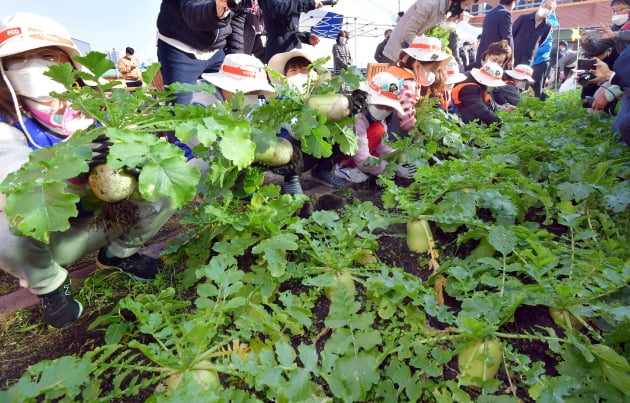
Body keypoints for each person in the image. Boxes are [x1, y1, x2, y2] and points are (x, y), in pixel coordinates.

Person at [0, 12, 175, 328]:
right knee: (3, 229)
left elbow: (146, 157)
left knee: (161, 186)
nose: (32, 66)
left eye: (45, 56)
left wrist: (132, 155)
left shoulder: (93, 108)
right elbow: (11, 176)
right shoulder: (7, 125)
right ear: (4, 69)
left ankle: (119, 254)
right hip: (52, 237)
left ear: (68, 64)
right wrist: (79, 160)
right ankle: (51, 287)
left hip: (104, 217)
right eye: (18, 59)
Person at [267, 48, 356, 193]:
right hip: (290, 155)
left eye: (304, 69)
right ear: (285, 77)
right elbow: (295, 130)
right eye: (293, 70)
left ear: (314, 74)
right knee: (288, 141)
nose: (299, 74)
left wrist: (346, 108)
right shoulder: (281, 100)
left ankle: (322, 171)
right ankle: (291, 179)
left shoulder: (320, 97)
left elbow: (336, 111)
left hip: (314, 150)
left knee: (341, 129)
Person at [156, 0, 245, 105]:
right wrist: (217, 10)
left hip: (216, 51)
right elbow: (193, 13)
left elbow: (237, 22)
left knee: (226, 105)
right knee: (180, 109)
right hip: (180, 47)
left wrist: (236, 58)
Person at [334, 72, 416, 183]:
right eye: (380, 106)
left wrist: (396, 155)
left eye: (389, 108)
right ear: (368, 99)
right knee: (366, 157)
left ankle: (357, 165)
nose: (384, 111)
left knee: (379, 130)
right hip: (342, 152)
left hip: (360, 149)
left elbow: (382, 145)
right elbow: (362, 159)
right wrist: (392, 169)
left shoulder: (377, 119)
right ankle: (341, 166)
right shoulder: (357, 118)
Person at [386, 35, 451, 134]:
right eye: (430, 70)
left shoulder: (396, 70)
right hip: (391, 126)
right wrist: (417, 135)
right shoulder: (408, 82)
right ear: (417, 65)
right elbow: (405, 116)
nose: (431, 73)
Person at [383, 0, 479, 62]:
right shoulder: (429, 4)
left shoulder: (443, 11)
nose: (465, 8)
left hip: (408, 56)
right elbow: (408, 33)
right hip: (396, 56)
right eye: (466, 4)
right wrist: (427, 51)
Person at [259, 0, 323, 63]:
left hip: (293, 48)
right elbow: (278, 8)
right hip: (278, 50)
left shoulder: (291, 3)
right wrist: (307, 3)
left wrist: (306, 37)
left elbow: (290, 30)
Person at [451, 61, 507, 127]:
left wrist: (501, 109)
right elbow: (479, 108)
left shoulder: (479, 83)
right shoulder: (468, 87)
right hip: (460, 117)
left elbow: (488, 103)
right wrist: (497, 123)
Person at [473, 0, 516, 69]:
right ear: (512, 3)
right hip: (496, 57)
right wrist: (511, 57)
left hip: (484, 56)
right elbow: (507, 37)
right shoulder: (506, 13)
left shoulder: (489, 14)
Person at [512, 0, 556, 66]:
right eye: (545, 6)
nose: (546, 9)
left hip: (527, 60)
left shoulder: (547, 26)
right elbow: (511, 34)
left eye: (549, 8)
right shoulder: (523, 18)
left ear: (552, 11)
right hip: (512, 57)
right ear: (541, 5)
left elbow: (541, 42)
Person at [531, 33, 553, 100]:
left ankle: (539, 99)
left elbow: (547, 48)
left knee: (537, 82)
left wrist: (533, 49)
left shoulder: (548, 36)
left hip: (541, 61)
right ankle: (543, 96)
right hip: (532, 62)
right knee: (530, 81)